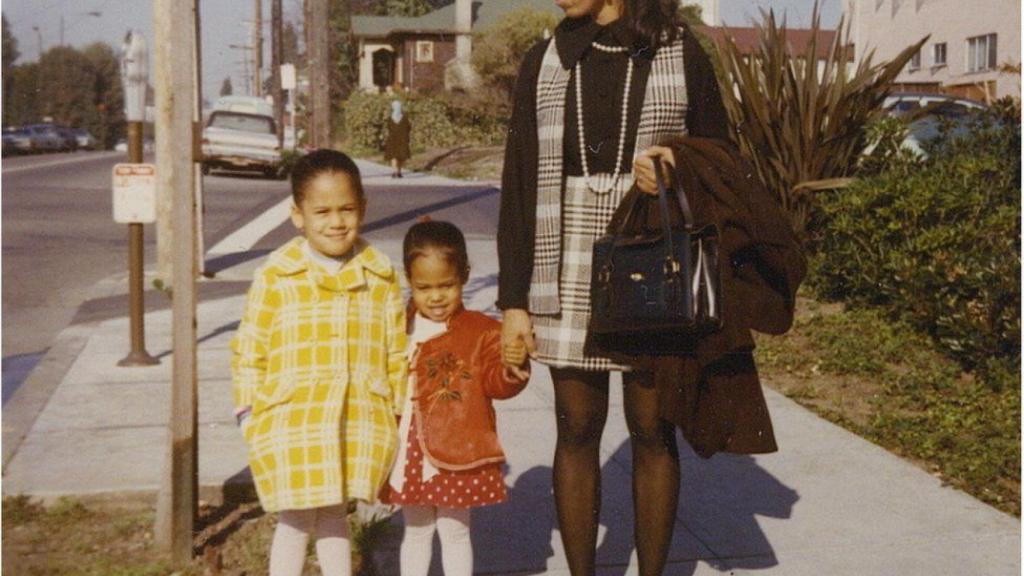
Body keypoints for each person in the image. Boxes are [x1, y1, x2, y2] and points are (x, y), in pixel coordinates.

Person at [496, 1, 766, 575]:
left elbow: (723, 156)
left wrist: (674, 166)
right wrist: (514, 303)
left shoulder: (679, 48)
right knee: (576, 428)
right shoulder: (543, 59)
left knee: (651, 428)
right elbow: (518, 181)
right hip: (562, 254)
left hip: (652, 253)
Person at [231, 149, 408, 576]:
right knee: (294, 519)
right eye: (322, 211)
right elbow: (249, 349)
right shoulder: (277, 277)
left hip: (355, 418)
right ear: (298, 214)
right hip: (290, 420)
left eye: (346, 209)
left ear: (362, 208)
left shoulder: (380, 278)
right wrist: (248, 412)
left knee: (334, 516)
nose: (336, 222)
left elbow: (395, 352)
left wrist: (397, 410)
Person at [381, 220, 530, 576]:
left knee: (455, 531)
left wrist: (512, 366)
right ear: (408, 279)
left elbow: (497, 383)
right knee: (416, 530)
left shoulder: (482, 331)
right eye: (423, 287)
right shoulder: (397, 326)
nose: (435, 296)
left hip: (459, 449)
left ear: (463, 275)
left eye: (446, 285)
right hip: (408, 451)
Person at [384, 99, 412, 178]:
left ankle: (394, 171)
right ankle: (399, 171)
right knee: (401, 156)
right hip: (403, 139)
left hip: (392, 139)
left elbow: (388, 127)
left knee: (393, 156)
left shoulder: (390, 118)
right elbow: (409, 127)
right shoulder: (405, 118)